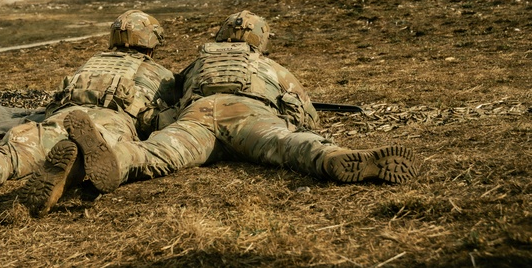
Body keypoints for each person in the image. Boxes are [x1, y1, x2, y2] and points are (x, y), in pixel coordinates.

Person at [34, 11, 418, 210]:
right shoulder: (270, 67)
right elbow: (304, 114)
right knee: (290, 144)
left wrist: (159, 122)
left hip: (198, 115)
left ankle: (107, 158)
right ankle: (335, 157)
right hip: (250, 115)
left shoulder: (200, 62)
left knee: (157, 154)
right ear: (260, 40)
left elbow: (170, 97)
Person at [0, 9, 181, 216]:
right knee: (95, 152)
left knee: (18, 146)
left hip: (65, 115)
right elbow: (156, 118)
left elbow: (56, 101)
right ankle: (66, 176)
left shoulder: (93, 62)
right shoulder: (159, 73)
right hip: (111, 121)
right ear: (151, 41)